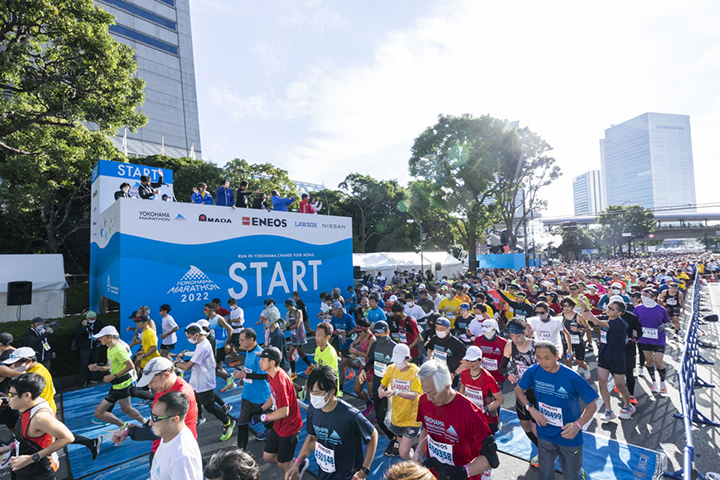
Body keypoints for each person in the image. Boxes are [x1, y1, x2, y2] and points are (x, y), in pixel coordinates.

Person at [515, 341, 598, 480]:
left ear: (557, 356)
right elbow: (518, 390)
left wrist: (577, 425)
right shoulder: (534, 371)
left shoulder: (572, 377)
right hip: (545, 434)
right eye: (539, 357)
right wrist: (531, 409)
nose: (543, 362)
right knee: (545, 474)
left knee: (572, 476)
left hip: (569, 436)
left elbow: (592, 405)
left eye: (547, 358)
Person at [4, 348, 101, 460]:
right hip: (45, 408)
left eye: (16, 363)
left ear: (28, 361)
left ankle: (90, 443)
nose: (14, 366)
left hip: (41, 411)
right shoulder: (38, 370)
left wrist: (33, 458)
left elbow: (27, 398)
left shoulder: (35, 375)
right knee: (56, 434)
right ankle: (91, 443)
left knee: (58, 436)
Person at [413, 360, 500, 480]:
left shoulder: (471, 413)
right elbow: (426, 429)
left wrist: (462, 472)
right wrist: (418, 452)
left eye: (432, 393)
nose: (429, 398)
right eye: (425, 392)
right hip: (434, 474)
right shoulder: (424, 401)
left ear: (447, 386)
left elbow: (491, 460)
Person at [287, 366, 378, 480]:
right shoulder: (313, 409)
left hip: (347, 475)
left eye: (317, 392)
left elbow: (373, 434)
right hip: (324, 472)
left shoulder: (350, 415)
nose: (313, 396)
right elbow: (312, 438)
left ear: (332, 390)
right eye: (311, 391)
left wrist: (364, 470)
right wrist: (297, 464)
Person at [111, 357, 198, 465]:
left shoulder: (179, 394)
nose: (149, 386)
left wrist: (129, 432)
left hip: (176, 453)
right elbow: (156, 419)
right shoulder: (163, 387)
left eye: (152, 381)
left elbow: (160, 431)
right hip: (161, 448)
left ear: (166, 375)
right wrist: (137, 428)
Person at [2, 373, 74, 480]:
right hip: (23, 467)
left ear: (27, 395)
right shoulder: (31, 403)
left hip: (36, 473)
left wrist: (32, 458)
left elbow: (68, 437)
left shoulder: (40, 417)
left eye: (12, 395)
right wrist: (11, 447)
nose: (8, 398)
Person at [174, 323, 235, 441]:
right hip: (200, 379)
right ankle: (202, 416)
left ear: (196, 334)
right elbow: (196, 356)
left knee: (210, 406)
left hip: (204, 380)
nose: (189, 339)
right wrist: (187, 353)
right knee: (202, 399)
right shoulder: (201, 343)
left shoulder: (203, 347)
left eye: (189, 337)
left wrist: (174, 364)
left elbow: (186, 366)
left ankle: (228, 422)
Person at [257, 347, 303, 476]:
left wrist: (264, 417)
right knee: (267, 456)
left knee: (283, 464)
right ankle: (297, 463)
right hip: (279, 424)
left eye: (263, 359)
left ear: (272, 363)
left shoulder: (281, 381)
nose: (260, 361)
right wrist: (261, 409)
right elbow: (273, 396)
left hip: (289, 426)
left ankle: (292, 467)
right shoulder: (272, 374)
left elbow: (284, 411)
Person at [586, 301, 636, 421]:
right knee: (602, 383)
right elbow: (589, 318)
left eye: (612, 309)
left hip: (617, 358)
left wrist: (584, 306)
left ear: (619, 312)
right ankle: (608, 410)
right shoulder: (606, 319)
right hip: (604, 356)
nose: (608, 310)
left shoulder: (619, 323)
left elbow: (596, 322)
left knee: (620, 385)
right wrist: (584, 310)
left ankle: (628, 406)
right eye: (608, 307)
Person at [90, 326, 147, 428]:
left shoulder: (119, 349)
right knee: (126, 408)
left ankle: (124, 426)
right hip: (118, 384)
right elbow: (110, 366)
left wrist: (113, 376)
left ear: (110, 337)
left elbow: (130, 365)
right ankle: (144, 422)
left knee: (98, 413)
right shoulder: (109, 349)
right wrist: (97, 368)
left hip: (121, 385)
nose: (99, 339)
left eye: (101, 337)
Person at [500, 317, 539, 464]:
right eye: (511, 336)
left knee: (537, 427)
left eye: (518, 335)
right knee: (525, 425)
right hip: (521, 391)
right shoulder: (510, 346)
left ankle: (545, 452)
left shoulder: (536, 346)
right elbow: (501, 367)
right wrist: (508, 375)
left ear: (525, 332)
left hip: (537, 392)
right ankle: (543, 449)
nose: (515, 339)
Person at [359, 321, 398, 455]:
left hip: (390, 388)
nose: (379, 336)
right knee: (381, 420)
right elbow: (371, 362)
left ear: (388, 332)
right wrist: (365, 370)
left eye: (381, 333)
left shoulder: (395, 347)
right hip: (377, 384)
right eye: (376, 333)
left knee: (388, 417)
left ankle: (397, 441)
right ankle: (393, 438)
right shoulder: (375, 345)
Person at [378, 343, 422, 460]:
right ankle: (415, 465)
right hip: (397, 417)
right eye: (395, 361)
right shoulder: (391, 369)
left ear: (408, 358)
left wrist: (396, 392)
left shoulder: (416, 372)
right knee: (405, 450)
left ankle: (417, 467)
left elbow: (415, 395)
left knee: (403, 452)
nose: (397, 364)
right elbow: (382, 385)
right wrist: (380, 390)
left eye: (400, 361)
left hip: (412, 418)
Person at [231, 329, 272, 448]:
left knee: (268, 422)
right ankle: (240, 451)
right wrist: (243, 378)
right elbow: (250, 370)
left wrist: (245, 375)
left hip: (260, 398)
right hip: (247, 396)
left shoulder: (260, 354)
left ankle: (275, 440)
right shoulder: (249, 351)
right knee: (242, 423)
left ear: (251, 340)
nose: (240, 342)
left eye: (242, 340)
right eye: (239, 340)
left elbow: (265, 375)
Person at [149, 391, 203, 480]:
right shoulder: (170, 436)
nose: (150, 423)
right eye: (151, 416)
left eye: (155, 418)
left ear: (174, 420)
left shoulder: (181, 457)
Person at [635, 288, 672, 394]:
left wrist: (664, 325)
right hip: (644, 338)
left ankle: (663, 383)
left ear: (654, 297)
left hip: (658, 338)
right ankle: (654, 382)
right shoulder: (638, 308)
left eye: (646, 295)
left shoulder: (661, 309)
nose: (643, 296)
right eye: (642, 294)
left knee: (658, 361)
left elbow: (668, 322)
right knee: (649, 361)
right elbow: (634, 321)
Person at [459, 346, 504, 434]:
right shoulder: (464, 373)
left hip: (487, 418)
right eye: (468, 360)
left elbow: (501, 399)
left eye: (473, 361)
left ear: (481, 360)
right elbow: (463, 387)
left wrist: (485, 408)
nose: (470, 364)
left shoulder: (488, 379)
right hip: (471, 414)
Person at [339, 317, 375, 406]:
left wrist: (355, 352)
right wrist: (352, 348)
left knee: (372, 394)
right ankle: (369, 404)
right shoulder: (362, 336)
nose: (359, 333)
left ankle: (378, 408)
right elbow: (353, 343)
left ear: (366, 329)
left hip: (371, 368)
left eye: (360, 331)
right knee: (357, 390)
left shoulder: (372, 339)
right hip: (363, 366)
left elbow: (369, 356)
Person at [203, 303, 236, 392]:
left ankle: (230, 377)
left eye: (206, 310)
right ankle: (231, 383)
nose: (204, 311)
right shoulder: (209, 320)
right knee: (219, 368)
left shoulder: (219, 319)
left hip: (221, 347)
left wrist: (227, 343)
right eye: (204, 310)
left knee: (215, 369)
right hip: (214, 347)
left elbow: (230, 329)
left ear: (212, 310)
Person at [558, 297, 593, 380]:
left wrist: (579, 329)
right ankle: (571, 377)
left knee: (579, 363)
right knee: (568, 360)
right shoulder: (559, 316)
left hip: (578, 342)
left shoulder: (578, 316)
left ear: (573, 306)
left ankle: (586, 369)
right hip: (566, 343)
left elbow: (588, 328)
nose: (566, 308)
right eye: (564, 306)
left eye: (568, 306)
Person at [426, 317, 466, 386]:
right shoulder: (434, 338)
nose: (439, 330)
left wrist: (454, 374)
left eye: (442, 328)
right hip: (437, 372)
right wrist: (430, 358)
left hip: (450, 376)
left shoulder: (457, 344)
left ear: (448, 329)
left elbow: (465, 363)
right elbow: (430, 349)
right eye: (437, 328)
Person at [74, 310, 104, 387]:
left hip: (95, 347)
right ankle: (82, 380)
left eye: (94, 318)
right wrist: (83, 326)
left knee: (95, 362)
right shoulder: (81, 325)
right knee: (84, 364)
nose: (92, 320)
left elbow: (102, 331)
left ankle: (94, 378)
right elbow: (77, 334)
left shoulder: (98, 324)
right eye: (91, 319)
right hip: (85, 347)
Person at [472, 320, 507, 386]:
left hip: (498, 376)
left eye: (488, 331)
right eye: (484, 331)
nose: (486, 333)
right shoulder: (478, 340)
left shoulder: (503, 342)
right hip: (483, 374)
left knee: (496, 395)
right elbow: (473, 355)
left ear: (494, 330)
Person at [285, 299, 310, 380]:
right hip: (293, 336)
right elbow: (288, 324)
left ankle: (293, 372)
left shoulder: (299, 312)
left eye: (288, 306)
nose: (287, 308)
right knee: (300, 352)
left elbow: (297, 324)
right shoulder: (287, 314)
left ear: (292, 305)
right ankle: (310, 365)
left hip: (299, 336)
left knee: (289, 354)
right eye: (286, 306)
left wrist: (287, 328)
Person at [314, 322, 340, 394]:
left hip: (329, 387)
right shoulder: (318, 349)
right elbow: (317, 365)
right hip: (320, 384)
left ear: (327, 337)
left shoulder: (330, 354)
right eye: (315, 335)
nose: (316, 338)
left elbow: (329, 376)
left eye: (319, 336)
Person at [227, 298, 245, 366]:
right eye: (229, 305)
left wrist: (231, 320)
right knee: (231, 346)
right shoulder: (231, 311)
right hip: (233, 330)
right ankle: (236, 360)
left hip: (239, 330)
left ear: (235, 304)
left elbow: (239, 320)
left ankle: (250, 349)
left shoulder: (240, 310)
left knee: (237, 347)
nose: (231, 306)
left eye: (231, 305)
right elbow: (230, 320)